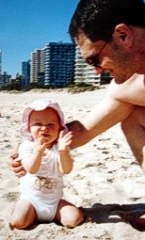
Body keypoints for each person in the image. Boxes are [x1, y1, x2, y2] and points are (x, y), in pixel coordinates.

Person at [9, 0, 145, 176]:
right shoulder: (128, 88)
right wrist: (29, 147)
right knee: (133, 119)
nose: (97, 71)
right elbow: (83, 130)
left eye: (94, 59)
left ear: (123, 35)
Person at [9, 99, 83, 229]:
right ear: (28, 128)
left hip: (54, 202)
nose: (45, 128)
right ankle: (21, 211)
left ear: (60, 129)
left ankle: (55, 216)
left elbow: (66, 170)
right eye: (38, 124)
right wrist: (38, 151)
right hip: (31, 200)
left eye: (51, 124)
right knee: (18, 222)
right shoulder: (26, 147)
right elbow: (31, 169)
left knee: (74, 219)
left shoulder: (59, 147)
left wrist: (63, 152)